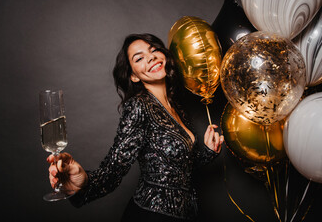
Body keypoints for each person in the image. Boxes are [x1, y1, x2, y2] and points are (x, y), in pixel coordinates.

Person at [47, 33, 224, 221]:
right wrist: (84, 183)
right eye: (139, 58)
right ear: (133, 76)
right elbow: (113, 168)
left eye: (154, 50)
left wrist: (207, 152)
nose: (151, 57)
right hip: (151, 215)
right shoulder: (139, 106)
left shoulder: (176, 107)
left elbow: (179, 169)